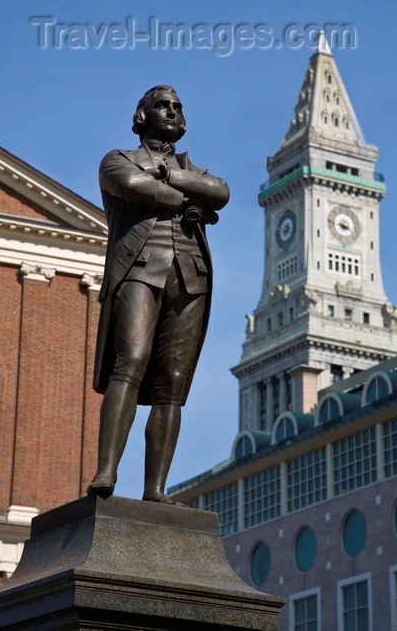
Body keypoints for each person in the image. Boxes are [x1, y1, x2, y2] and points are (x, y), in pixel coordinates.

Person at [88, 85, 229, 504]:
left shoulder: (195, 170)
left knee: (173, 381)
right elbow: (133, 185)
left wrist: (170, 175)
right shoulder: (118, 160)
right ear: (142, 115)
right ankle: (105, 473)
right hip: (139, 269)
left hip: (190, 278)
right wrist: (188, 197)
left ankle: (155, 490)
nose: (171, 112)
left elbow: (220, 193)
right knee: (129, 361)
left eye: (177, 107)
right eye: (162, 105)